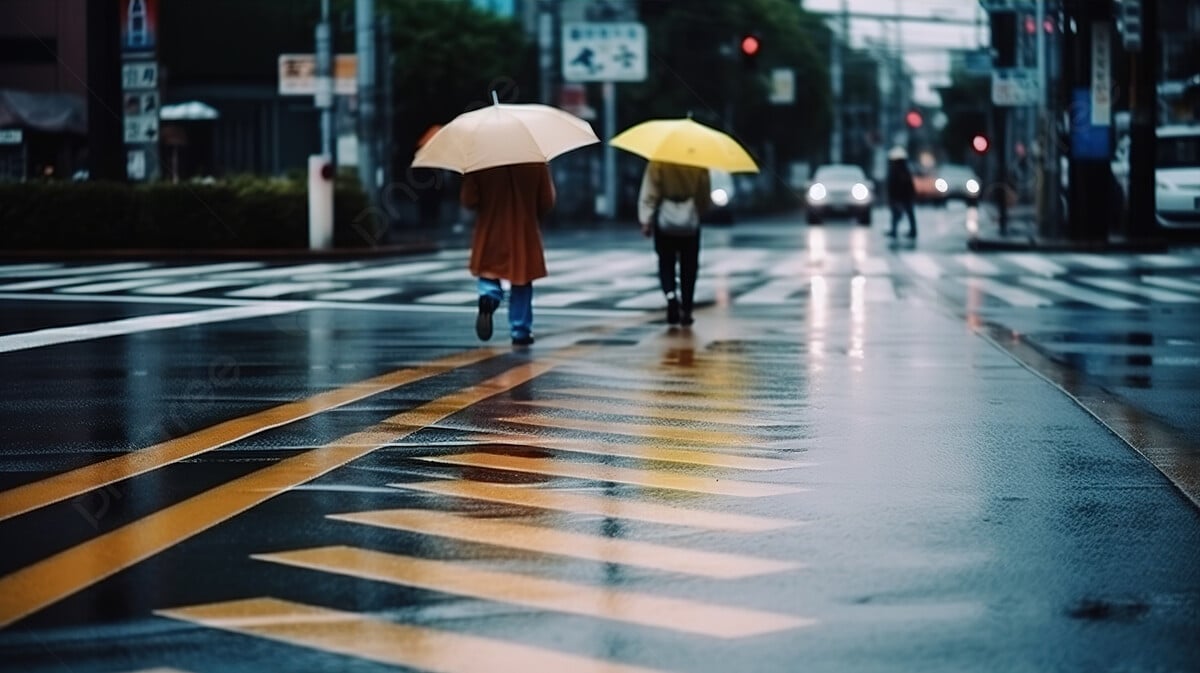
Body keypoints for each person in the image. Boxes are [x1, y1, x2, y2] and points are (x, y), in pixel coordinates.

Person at [460, 162, 556, 347]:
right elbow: (547, 201)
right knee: (522, 279)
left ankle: (489, 296)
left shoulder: (479, 161)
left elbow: (469, 200)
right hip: (523, 230)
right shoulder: (536, 161)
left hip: (490, 229)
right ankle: (520, 330)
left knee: (488, 270)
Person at [637, 160, 712, 326]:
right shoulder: (699, 159)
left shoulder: (659, 160)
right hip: (689, 218)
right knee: (689, 265)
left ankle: (671, 296)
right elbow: (704, 192)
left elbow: (650, 190)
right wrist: (701, 209)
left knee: (665, 262)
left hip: (665, 217)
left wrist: (645, 219)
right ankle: (686, 308)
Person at [886, 146, 918, 238]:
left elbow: (907, 185)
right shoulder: (902, 170)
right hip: (902, 197)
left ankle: (908, 231)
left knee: (903, 214)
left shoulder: (900, 171)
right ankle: (897, 230)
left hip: (902, 196)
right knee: (901, 214)